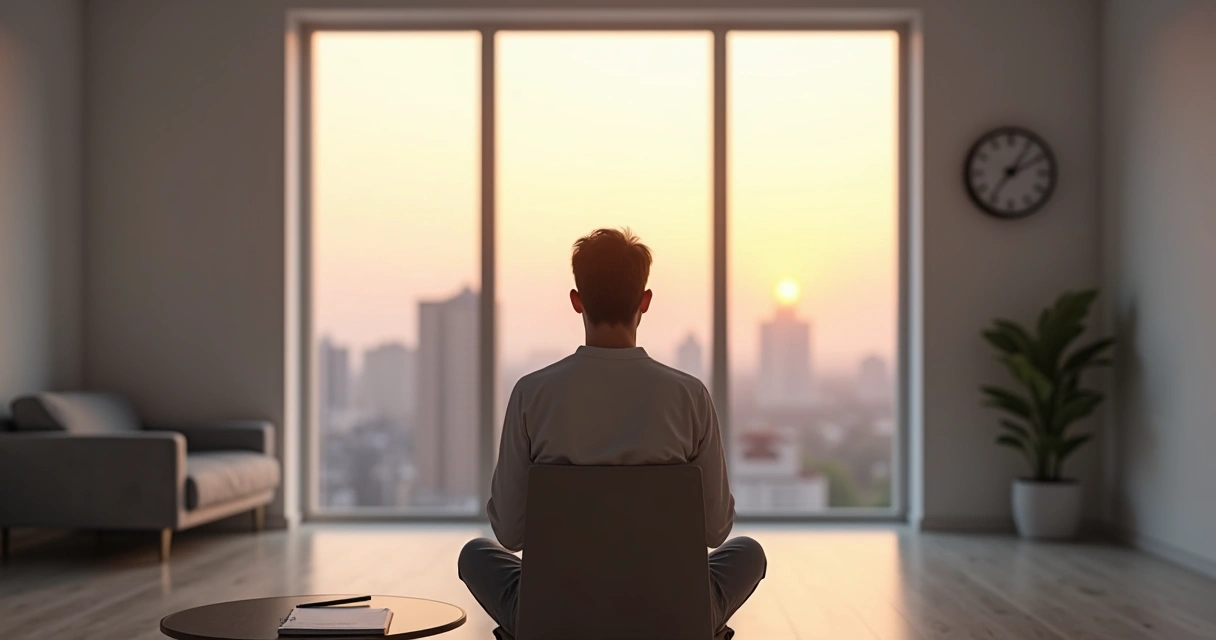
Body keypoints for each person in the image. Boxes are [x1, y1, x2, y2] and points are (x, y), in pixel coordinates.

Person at [458, 228, 766, 640]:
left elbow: (509, 535)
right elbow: (716, 532)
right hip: (671, 616)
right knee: (748, 553)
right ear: (645, 301)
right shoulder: (689, 396)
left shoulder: (532, 394)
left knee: (475, 554)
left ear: (576, 301)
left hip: (555, 616)